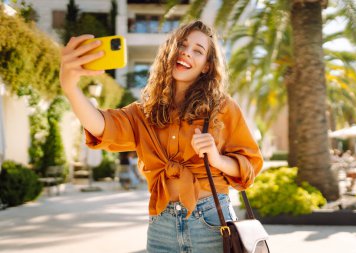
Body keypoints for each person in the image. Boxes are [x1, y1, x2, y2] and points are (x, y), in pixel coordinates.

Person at [60, 20, 263, 252]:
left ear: (207, 66)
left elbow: (250, 166)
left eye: (198, 51)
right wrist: (71, 88)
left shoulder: (223, 107)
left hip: (212, 224)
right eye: (182, 45)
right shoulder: (144, 112)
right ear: (170, 50)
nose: (186, 53)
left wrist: (216, 158)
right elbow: (102, 126)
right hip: (161, 226)